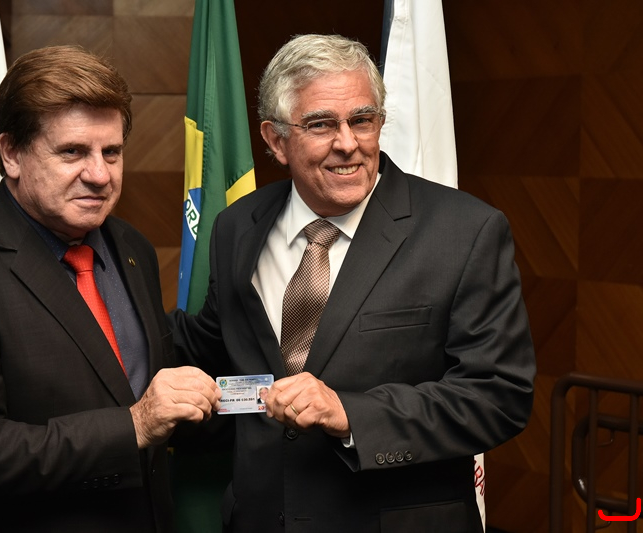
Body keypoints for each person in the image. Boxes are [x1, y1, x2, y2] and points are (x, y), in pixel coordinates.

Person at [169, 34, 536, 531]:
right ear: (275, 140)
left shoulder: (465, 232)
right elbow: (215, 346)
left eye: (362, 120)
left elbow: (499, 396)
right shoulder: (238, 227)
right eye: (321, 124)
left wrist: (350, 413)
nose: (348, 143)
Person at [0, 45, 221, 533]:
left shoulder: (132, 248)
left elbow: (132, 385)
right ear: (11, 153)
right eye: (72, 152)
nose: (100, 175)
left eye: (112, 152)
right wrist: (133, 426)